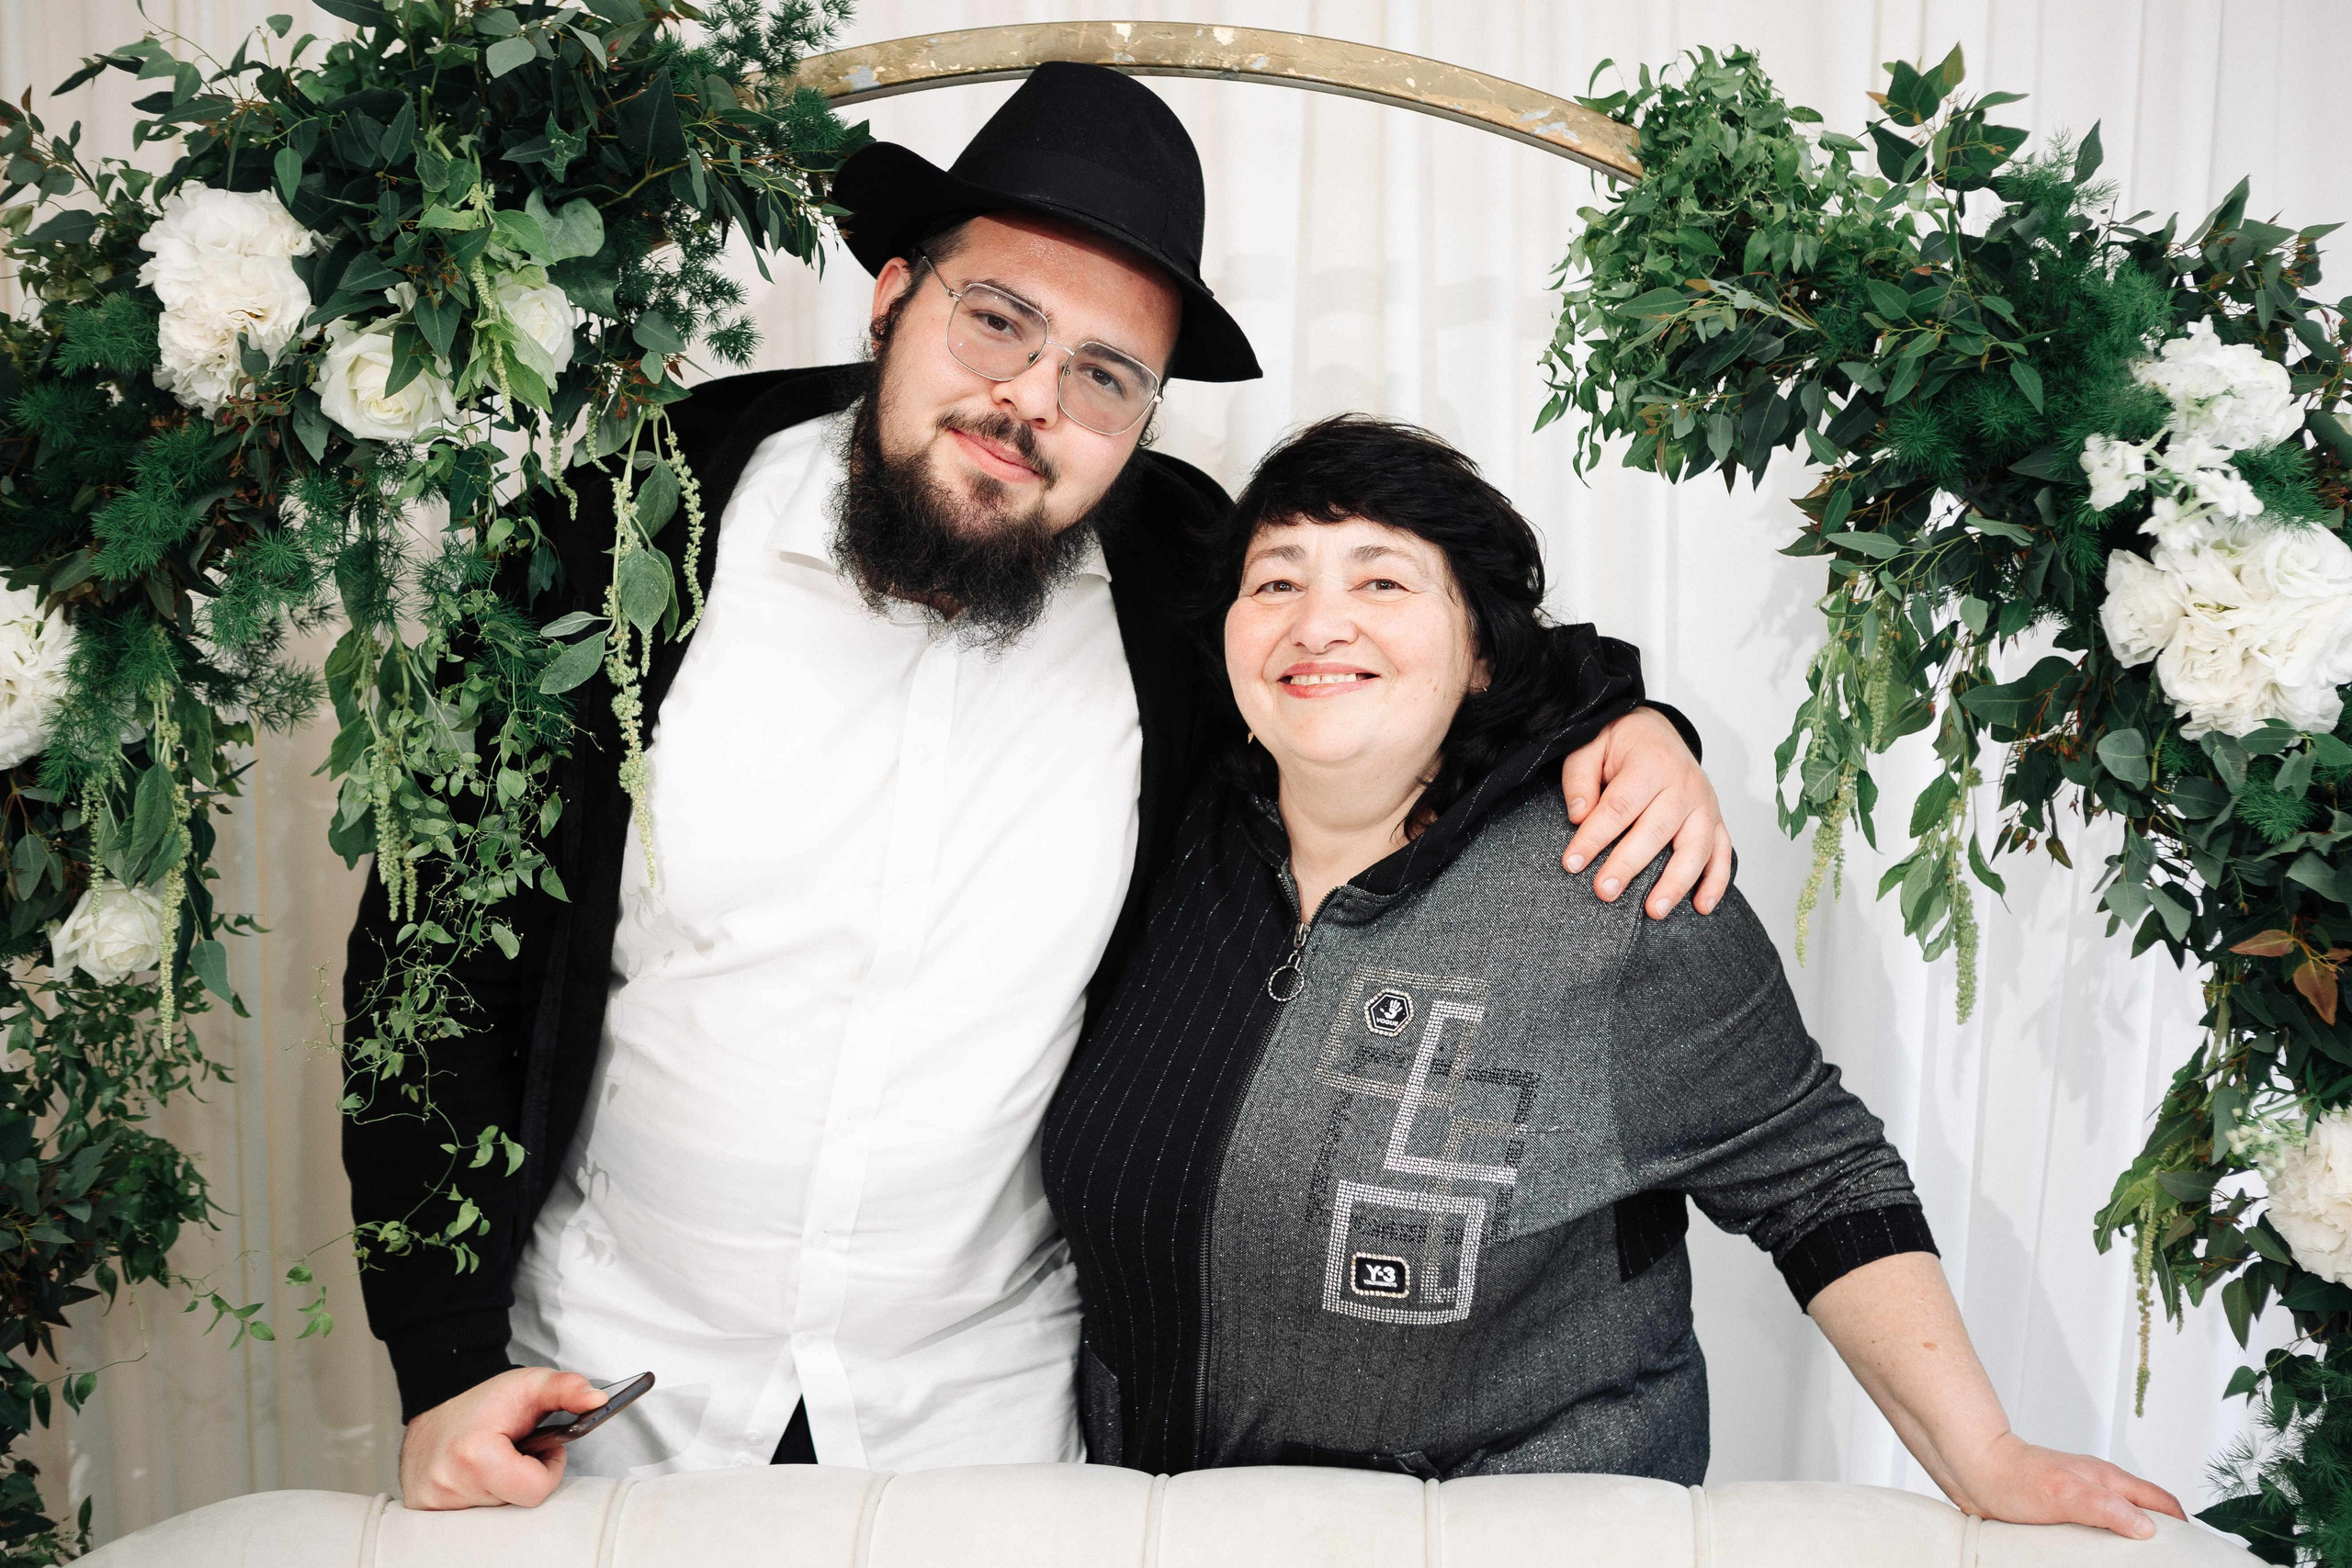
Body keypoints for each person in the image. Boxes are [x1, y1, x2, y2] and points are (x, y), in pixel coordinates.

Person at [351, 64, 1735, 1508]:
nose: (1028, 399)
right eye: (996, 319)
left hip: (989, 1426)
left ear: (1140, 419)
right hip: (600, 1392)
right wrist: (441, 1361)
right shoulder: (625, 534)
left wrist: (1635, 720)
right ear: (893, 296)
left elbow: (1422, 652)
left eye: (1101, 374)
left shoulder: (1188, 593)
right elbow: (424, 970)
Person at [1041, 416, 2188, 1540]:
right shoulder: (1166, 847)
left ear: (1480, 651)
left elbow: (1820, 1178)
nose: (1318, 621)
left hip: (1531, 1533)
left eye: (1383, 583)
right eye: (1275, 582)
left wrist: (1982, 1455)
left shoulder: (1613, 882)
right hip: (1179, 1527)